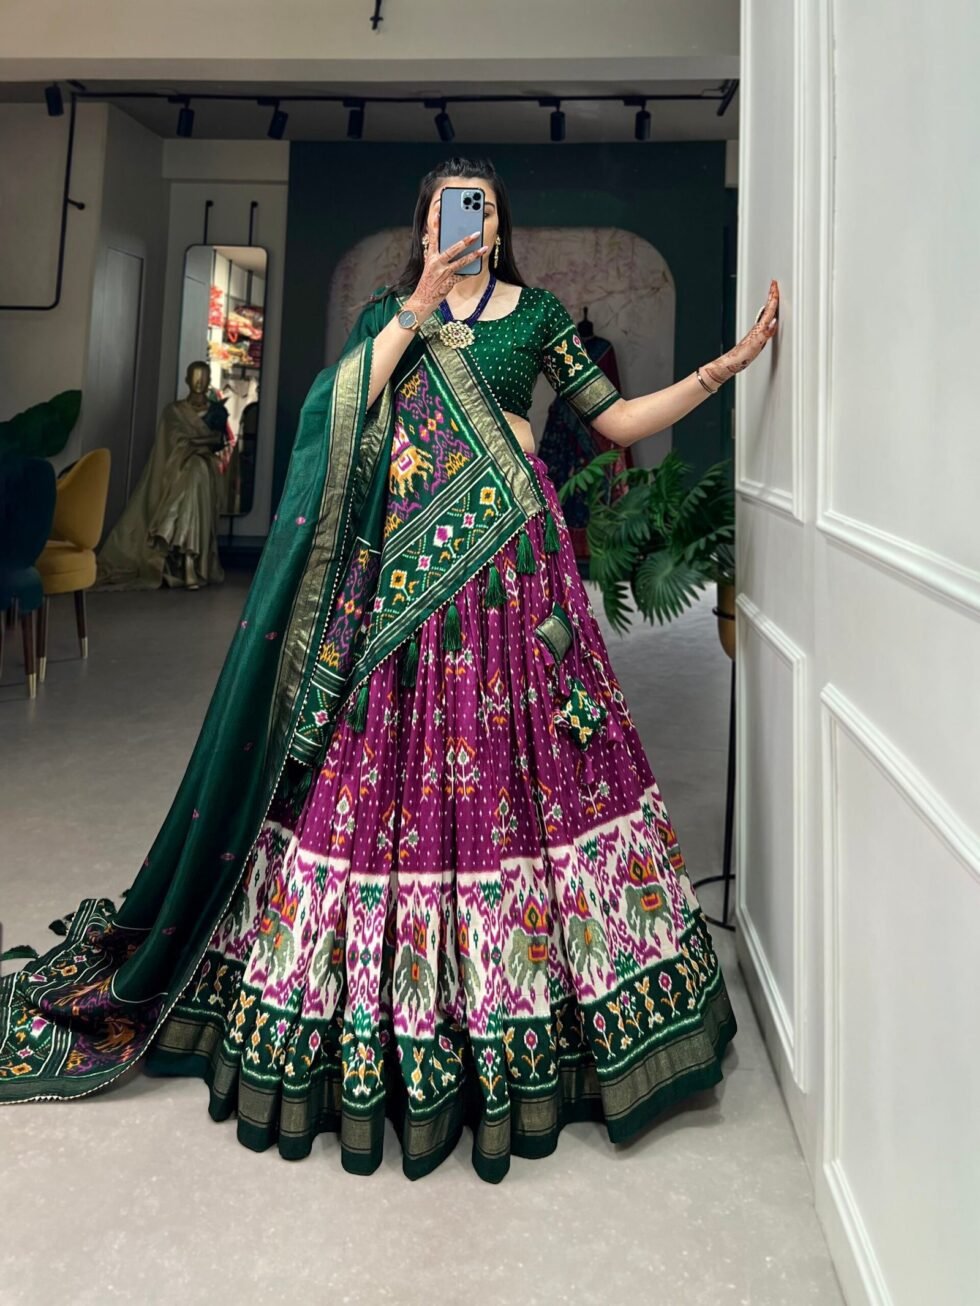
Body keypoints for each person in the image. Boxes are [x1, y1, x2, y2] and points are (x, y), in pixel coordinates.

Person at [0, 156, 779, 1183]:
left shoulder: (538, 315)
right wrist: (416, 305)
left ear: (500, 225)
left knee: (523, 770)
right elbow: (340, 411)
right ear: (424, 226)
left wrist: (726, 367)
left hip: (512, 574)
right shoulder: (390, 316)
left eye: (483, 209)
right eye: (451, 209)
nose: (469, 222)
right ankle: (376, 1008)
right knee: (384, 768)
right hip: (404, 581)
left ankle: (535, 1005)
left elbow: (616, 420)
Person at [95, 361, 228, 591]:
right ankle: (188, 558)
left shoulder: (217, 412)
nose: (199, 381)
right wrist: (194, 444)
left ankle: (186, 555)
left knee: (196, 470)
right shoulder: (173, 412)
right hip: (176, 469)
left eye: (204, 377)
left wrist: (192, 443)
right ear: (186, 379)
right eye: (194, 376)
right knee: (190, 474)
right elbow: (171, 444)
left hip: (205, 468)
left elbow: (218, 440)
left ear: (209, 381)